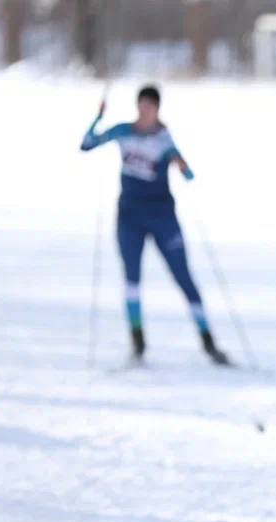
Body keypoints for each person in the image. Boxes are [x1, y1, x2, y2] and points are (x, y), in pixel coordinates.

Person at [80, 85, 229, 365]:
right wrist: (98, 117)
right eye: (141, 107)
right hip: (130, 218)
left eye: (150, 108)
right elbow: (87, 144)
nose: (144, 113)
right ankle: (138, 343)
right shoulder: (123, 132)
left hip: (163, 218)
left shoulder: (163, 138)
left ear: (157, 110)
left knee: (184, 277)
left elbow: (188, 173)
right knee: (132, 279)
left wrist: (179, 162)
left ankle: (208, 341)